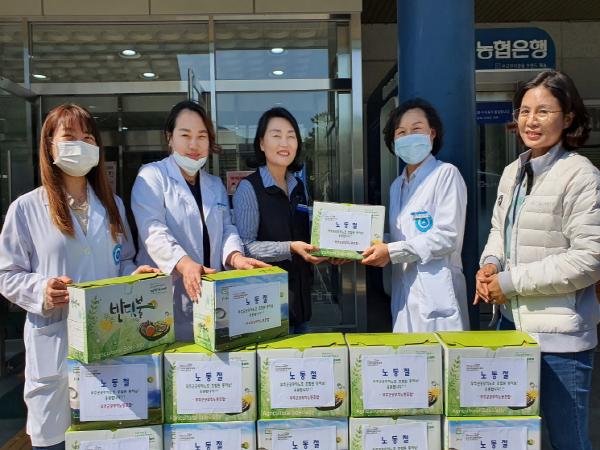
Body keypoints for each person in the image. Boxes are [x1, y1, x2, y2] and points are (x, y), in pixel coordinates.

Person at [0, 104, 157, 450]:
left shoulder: (112, 204)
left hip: (108, 343)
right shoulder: (26, 208)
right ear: (49, 145)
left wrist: (135, 275)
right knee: (55, 441)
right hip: (54, 344)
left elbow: (123, 260)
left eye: (88, 138)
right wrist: (41, 289)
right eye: (69, 137)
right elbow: (7, 274)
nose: (81, 146)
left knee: (106, 437)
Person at [475, 70, 599, 450]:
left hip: (560, 341)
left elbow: (589, 259)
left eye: (544, 111)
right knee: (511, 435)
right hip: (510, 327)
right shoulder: (514, 170)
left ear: (569, 117)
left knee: (567, 440)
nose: (531, 120)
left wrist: (509, 282)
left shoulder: (580, 175)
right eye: (524, 111)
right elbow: (499, 228)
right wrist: (491, 263)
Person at [131, 100, 267, 341]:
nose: (194, 145)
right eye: (185, 135)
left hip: (212, 296)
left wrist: (235, 256)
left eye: (202, 136)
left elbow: (227, 228)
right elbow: (153, 230)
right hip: (166, 298)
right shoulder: (152, 176)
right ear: (170, 138)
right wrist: (184, 264)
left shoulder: (214, 184)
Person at [362, 98, 469, 332]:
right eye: (401, 132)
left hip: (438, 298)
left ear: (432, 133)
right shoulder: (397, 186)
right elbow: (401, 238)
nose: (409, 136)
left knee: (440, 354)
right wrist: (362, 245)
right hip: (403, 295)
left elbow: (447, 237)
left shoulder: (446, 174)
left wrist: (391, 252)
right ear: (394, 142)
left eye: (416, 129)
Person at [232, 107, 329, 333]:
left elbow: (304, 234)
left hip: (301, 301)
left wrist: (328, 250)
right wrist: (291, 248)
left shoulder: (298, 185)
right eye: (276, 135)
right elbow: (245, 247)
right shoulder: (249, 188)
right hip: (267, 306)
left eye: (291, 136)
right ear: (261, 143)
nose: (284, 143)